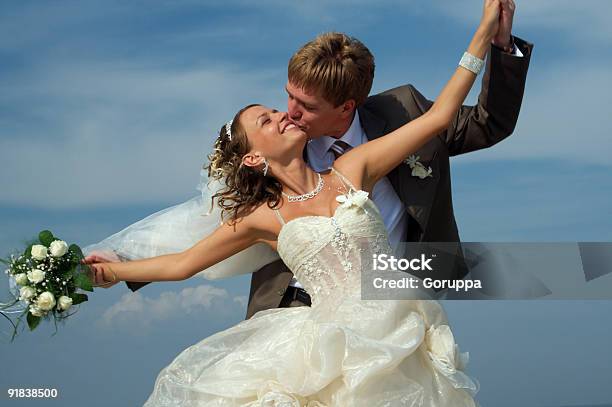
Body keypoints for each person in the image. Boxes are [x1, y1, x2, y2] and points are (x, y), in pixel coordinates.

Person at [85, 2, 505, 405]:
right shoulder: (261, 218)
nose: (286, 115)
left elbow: (438, 117)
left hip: (397, 331)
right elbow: (184, 263)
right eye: (267, 120)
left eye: (282, 110)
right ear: (252, 157)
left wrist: (483, 34)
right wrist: (111, 271)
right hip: (317, 342)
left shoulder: (353, 166)